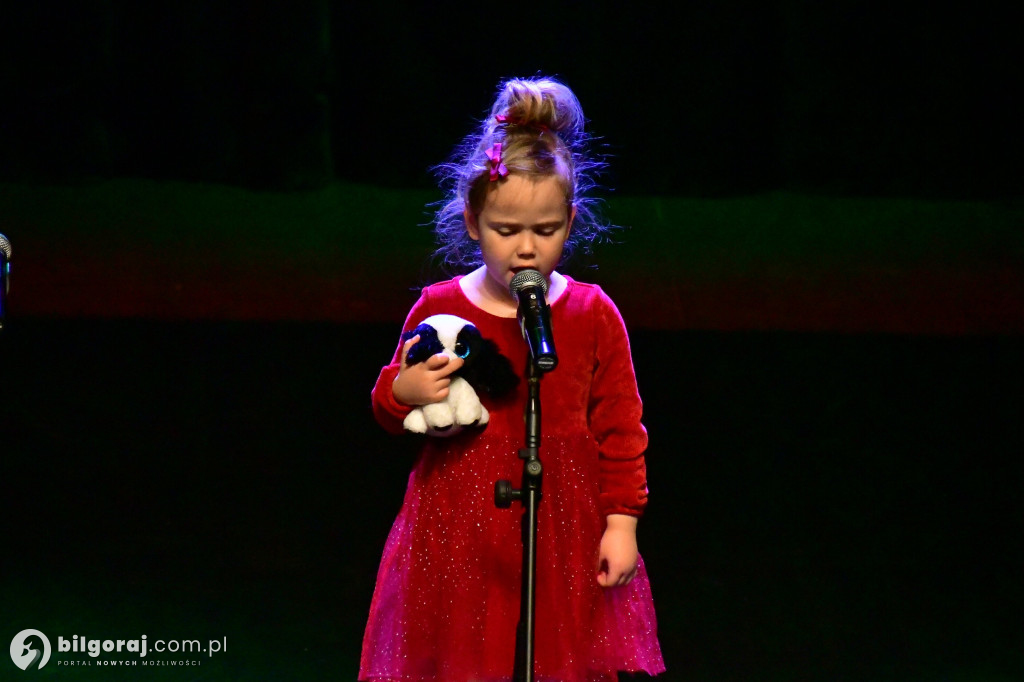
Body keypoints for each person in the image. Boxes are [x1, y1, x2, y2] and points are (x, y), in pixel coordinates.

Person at [360, 77, 665, 682]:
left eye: (545, 231)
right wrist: (402, 392)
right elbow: (390, 401)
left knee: (552, 655)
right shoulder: (440, 306)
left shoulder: (592, 312)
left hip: (562, 524)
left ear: (570, 222)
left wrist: (622, 522)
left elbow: (621, 427)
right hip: (458, 522)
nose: (526, 249)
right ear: (473, 222)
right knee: (466, 657)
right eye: (506, 231)